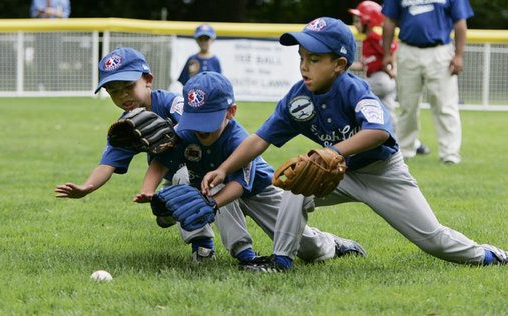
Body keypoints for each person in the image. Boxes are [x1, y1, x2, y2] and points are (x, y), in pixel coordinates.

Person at [201, 17, 508, 272]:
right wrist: (224, 168)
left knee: (432, 239)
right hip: (341, 174)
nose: (304, 66)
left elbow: (378, 131)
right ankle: (281, 261)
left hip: (382, 173)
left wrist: (332, 151)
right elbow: (259, 139)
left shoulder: (354, 90)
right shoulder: (298, 98)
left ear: (339, 64)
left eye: (315, 59)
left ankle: (489, 255)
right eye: (302, 58)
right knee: (299, 180)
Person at [135, 71, 366, 270]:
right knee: (190, 186)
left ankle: (330, 243)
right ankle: (232, 253)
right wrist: (148, 190)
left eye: (208, 121)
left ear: (230, 112)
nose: (200, 130)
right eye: (195, 120)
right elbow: (161, 161)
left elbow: (238, 185)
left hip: (258, 190)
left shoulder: (237, 140)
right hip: (216, 187)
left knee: (306, 247)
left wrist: (212, 204)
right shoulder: (184, 132)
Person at [54, 47, 219, 263]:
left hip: (206, 166)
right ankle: (168, 211)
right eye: (113, 90)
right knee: (169, 205)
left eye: (128, 86)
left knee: (184, 184)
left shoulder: (172, 103)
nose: (122, 95)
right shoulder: (127, 127)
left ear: (148, 80)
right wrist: (88, 187)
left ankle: (202, 248)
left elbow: (198, 130)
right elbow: (107, 164)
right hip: (171, 175)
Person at [382, 0, 474, 164]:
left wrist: (459, 55)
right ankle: (405, 150)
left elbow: (460, 22)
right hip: (407, 50)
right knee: (407, 105)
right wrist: (387, 53)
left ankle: (450, 153)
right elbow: (389, 21)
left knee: (445, 105)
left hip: (440, 51)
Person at [348, 1, 430, 155]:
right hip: (381, 81)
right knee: (390, 115)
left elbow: (394, 48)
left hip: (381, 80)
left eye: (358, 20)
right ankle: (415, 144)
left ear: (369, 20)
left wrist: (394, 68)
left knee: (352, 95)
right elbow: (362, 65)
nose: (355, 24)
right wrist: (345, 65)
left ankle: (351, 138)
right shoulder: (368, 40)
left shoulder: (373, 36)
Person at [30, 0, 71, 91]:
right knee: (40, 60)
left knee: (56, 60)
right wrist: (43, 12)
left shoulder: (63, 1)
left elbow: (66, 15)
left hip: (56, 32)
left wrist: (54, 12)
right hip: (41, 33)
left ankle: (56, 86)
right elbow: (33, 14)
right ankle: (40, 85)